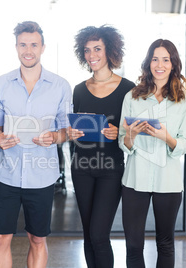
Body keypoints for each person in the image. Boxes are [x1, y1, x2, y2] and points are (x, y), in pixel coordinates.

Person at [0, 21, 72, 268]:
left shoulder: (60, 86)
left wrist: (55, 137)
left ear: (43, 47)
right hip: (7, 175)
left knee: (37, 238)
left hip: (42, 176)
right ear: (16, 47)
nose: (28, 50)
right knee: (1, 239)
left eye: (34, 44)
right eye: (23, 44)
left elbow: (67, 131)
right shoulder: (1, 83)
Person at [118, 39, 186, 268]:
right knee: (133, 246)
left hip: (168, 182)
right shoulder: (132, 96)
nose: (159, 64)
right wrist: (130, 135)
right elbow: (123, 142)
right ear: (148, 63)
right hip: (134, 180)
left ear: (173, 64)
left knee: (165, 242)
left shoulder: (184, 99)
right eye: (155, 59)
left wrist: (167, 138)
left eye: (165, 59)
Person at [67, 25, 135, 268]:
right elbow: (73, 133)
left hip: (111, 170)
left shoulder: (129, 90)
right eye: (87, 50)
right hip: (81, 167)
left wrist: (121, 133)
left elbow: (135, 134)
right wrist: (72, 133)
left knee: (99, 234)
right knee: (88, 235)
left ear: (110, 51)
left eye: (97, 49)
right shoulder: (79, 90)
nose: (91, 55)